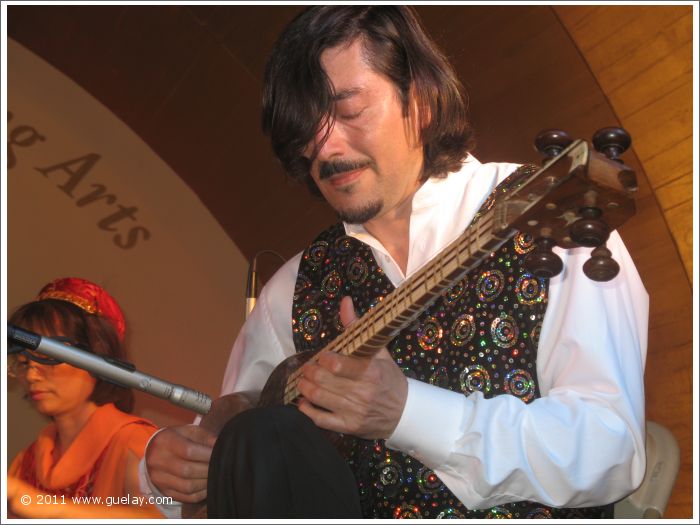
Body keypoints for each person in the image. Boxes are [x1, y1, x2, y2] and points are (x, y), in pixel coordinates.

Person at [142, 6, 648, 519]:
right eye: (304, 128)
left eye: (349, 110)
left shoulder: (552, 217)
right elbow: (238, 457)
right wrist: (167, 472)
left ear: (421, 99)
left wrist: (407, 413)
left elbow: (609, 451)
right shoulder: (293, 288)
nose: (325, 146)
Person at [6, 277, 163, 518]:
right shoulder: (26, 461)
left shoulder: (135, 442)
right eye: (24, 362)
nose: (31, 374)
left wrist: (49, 508)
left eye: (47, 357)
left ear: (97, 356)